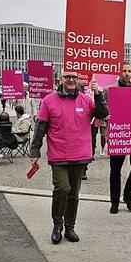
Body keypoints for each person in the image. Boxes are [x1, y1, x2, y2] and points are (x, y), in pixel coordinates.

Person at [30, 71, 108, 244]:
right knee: (62, 189)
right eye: (67, 77)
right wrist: (35, 151)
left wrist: (98, 94)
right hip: (59, 155)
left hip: (80, 154)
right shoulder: (49, 100)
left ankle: (70, 227)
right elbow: (40, 126)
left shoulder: (86, 99)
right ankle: (57, 225)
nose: (71, 80)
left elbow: (102, 114)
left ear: (78, 80)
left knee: (74, 194)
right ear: (61, 80)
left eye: (74, 77)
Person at [105, 63, 131, 213]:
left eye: (129, 71)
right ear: (120, 73)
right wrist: (106, 116)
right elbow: (103, 108)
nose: (127, 73)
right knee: (115, 170)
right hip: (119, 134)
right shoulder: (110, 90)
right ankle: (114, 202)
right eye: (124, 71)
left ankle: (128, 195)